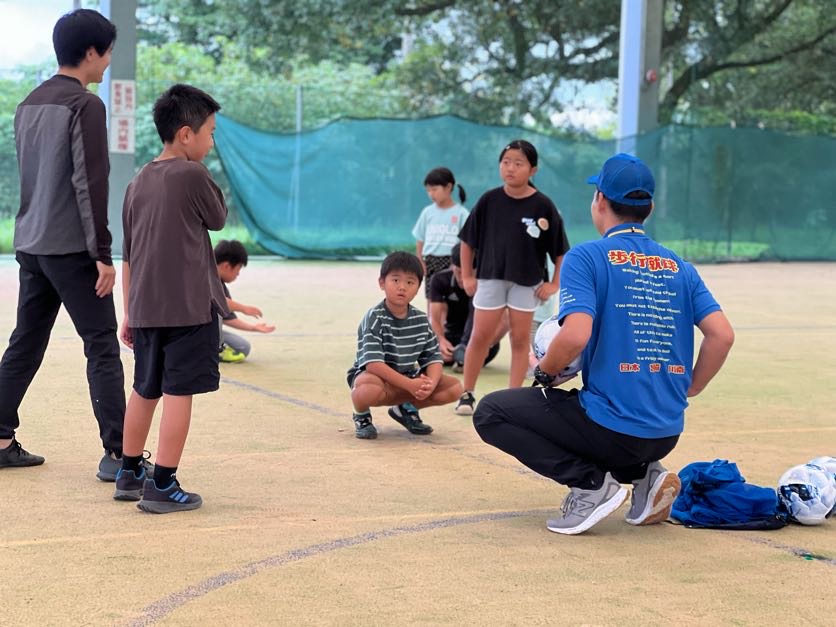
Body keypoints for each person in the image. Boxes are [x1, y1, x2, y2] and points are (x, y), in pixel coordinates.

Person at [472, 153, 735, 535]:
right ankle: (646, 476)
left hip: (612, 428)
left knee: (492, 413)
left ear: (599, 200)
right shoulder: (680, 266)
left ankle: (590, 484)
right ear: (650, 207)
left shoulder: (588, 257)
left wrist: (545, 373)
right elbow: (722, 335)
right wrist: (692, 385)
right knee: (592, 417)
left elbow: (576, 334)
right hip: (666, 432)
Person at [0, 9, 132, 480]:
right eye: (108, 52)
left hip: (31, 243)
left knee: (26, 342)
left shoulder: (28, 103)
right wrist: (102, 253)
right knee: (101, 345)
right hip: (71, 248)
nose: (108, 62)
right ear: (92, 52)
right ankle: (120, 454)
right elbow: (89, 182)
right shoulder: (86, 106)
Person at [114, 84, 228, 513]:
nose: (211, 142)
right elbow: (217, 218)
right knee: (180, 392)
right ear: (186, 134)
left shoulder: (137, 180)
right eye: (210, 132)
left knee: (144, 389)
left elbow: (128, 254)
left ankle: (128, 471)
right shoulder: (193, 174)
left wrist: (128, 311)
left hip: (144, 308)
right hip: (188, 307)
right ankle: (163, 482)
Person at [456, 140, 570, 415]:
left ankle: (511, 399)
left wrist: (554, 283)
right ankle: (467, 394)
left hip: (526, 283)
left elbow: (560, 250)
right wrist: (469, 276)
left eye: (518, 163)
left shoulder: (543, 205)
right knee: (480, 336)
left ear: (533, 169)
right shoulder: (489, 200)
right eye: (506, 162)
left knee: (520, 340)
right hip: (490, 278)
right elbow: (467, 241)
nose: (510, 168)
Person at [347, 251, 463, 439]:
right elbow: (373, 364)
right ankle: (361, 416)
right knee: (366, 387)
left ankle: (405, 409)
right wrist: (410, 385)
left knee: (454, 388)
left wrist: (430, 385)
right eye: (395, 280)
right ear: (381, 283)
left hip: (407, 379)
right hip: (378, 379)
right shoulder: (374, 317)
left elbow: (433, 357)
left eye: (410, 282)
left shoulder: (420, 319)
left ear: (418, 288)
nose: (402, 287)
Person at [428, 243, 506, 372]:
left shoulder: (490, 283)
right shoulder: (439, 280)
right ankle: (458, 356)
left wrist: (487, 345)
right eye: (458, 272)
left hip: (482, 339)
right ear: (452, 266)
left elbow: (505, 322)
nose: (462, 278)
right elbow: (434, 319)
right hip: (451, 337)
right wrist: (441, 340)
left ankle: (465, 356)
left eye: (469, 273)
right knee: (430, 355)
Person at [214, 239, 276, 362]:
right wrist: (244, 308)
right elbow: (215, 299)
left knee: (242, 347)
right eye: (238, 269)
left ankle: (213, 350)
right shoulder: (202, 275)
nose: (238, 274)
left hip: (205, 332)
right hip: (189, 329)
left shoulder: (221, 285)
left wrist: (254, 327)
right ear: (227, 266)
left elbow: (228, 318)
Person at [412, 167, 469, 298]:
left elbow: (466, 242)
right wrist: (420, 260)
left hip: (452, 262)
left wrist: (458, 264)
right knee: (431, 297)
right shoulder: (427, 212)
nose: (431, 194)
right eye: (428, 190)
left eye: (434, 189)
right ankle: (432, 319)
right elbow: (420, 238)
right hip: (430, 261)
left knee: (452, 298)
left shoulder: (461, 213)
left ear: (448, 187)